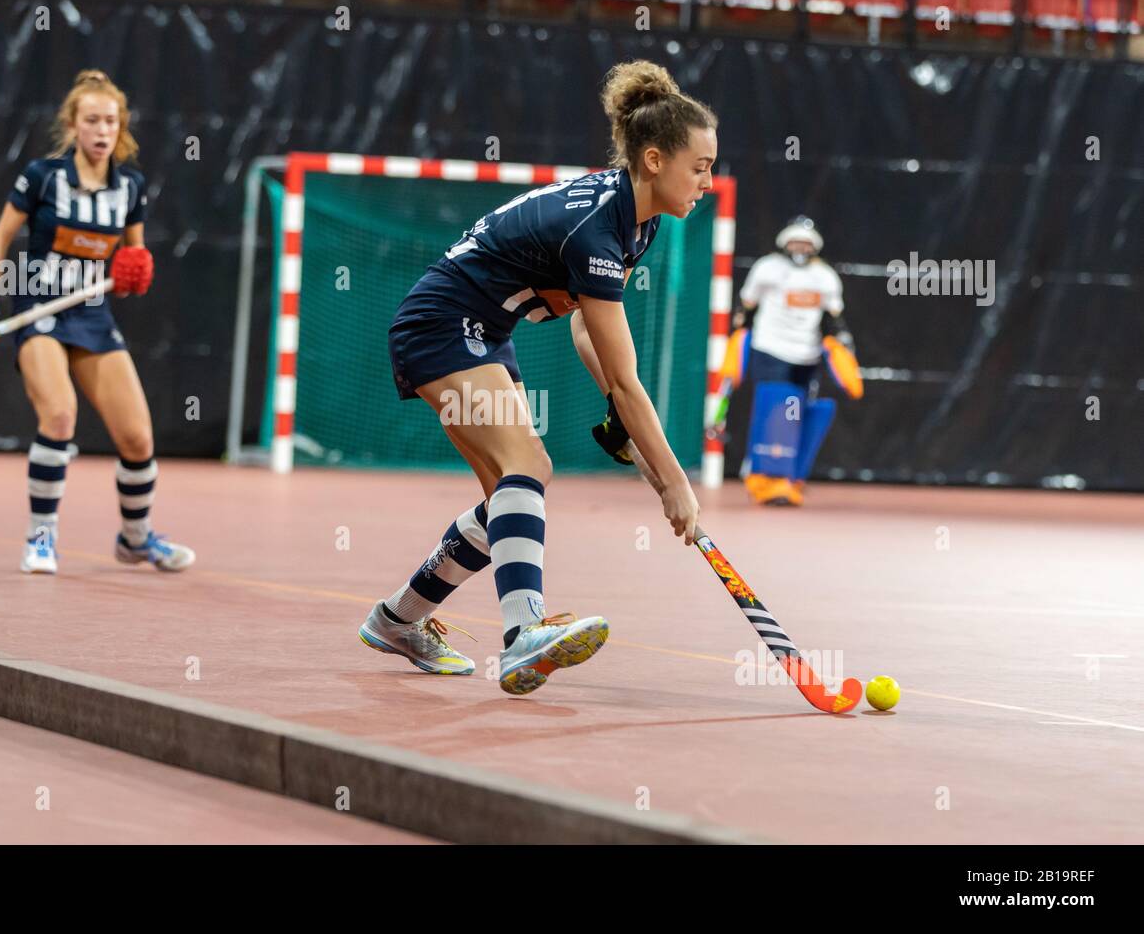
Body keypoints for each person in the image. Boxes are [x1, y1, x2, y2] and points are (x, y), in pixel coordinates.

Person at [359, 60, 717, 696]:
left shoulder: (639, 219)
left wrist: (624, 430)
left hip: (486, 331)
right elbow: (630, 379)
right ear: (656, 160)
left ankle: (398, 620)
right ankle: (523, 633)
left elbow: (587, 333)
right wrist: (674, 484)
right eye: (701, 167)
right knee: (528, 465)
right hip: (442, 324)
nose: (708, 182)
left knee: (510, 491)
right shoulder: (597, 230)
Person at [0, 69, 194, 574]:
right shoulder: (40, 177)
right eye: (91, 120)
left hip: (92, 315)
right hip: (38, 310)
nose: (101, 130)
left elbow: (133, 257)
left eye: (110, 121)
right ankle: (41, 539)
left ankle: (135, 540)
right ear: (72, 125)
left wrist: (136, 270)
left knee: (137, 437)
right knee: (60, 417)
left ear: (121, 127)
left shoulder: (130, 187)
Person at [730, 216, 855, 506]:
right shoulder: (767, 269)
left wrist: (843, 344)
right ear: (785, 243)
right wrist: (738, 336)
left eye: (806, 243)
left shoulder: (825, 277)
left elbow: (835, 318)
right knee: (774, 410)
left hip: (807, 354)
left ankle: (790, 476)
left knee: (797, 413)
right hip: (770, 347)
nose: (801, 247)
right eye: (795, 241)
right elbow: (746, 306)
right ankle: (765, 476)